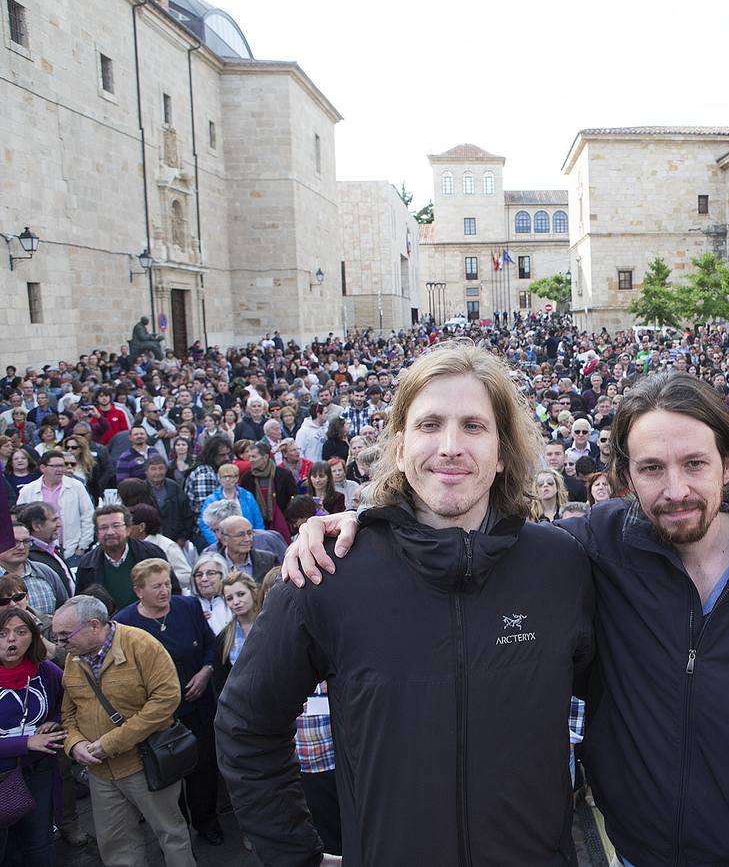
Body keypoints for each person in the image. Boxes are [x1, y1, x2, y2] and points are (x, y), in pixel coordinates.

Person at [283, 367, 729, 864]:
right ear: (624, 476)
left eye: (694, 463)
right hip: (636, 852)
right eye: (651, 468)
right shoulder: (592, 548)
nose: (675, 488)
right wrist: (367, 524)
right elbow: (477, 540)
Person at [216, 344, 597, 866]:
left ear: (503, 452)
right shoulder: (328, 572)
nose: (450, 447)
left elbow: (619, 703)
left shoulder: (561, 565)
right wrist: (297, 857)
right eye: (429, 425)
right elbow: (246, 725)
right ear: (399, 448)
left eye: (473, 426)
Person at [53, 595, 196, 867]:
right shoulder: (74, 658)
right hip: (101, 773)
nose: (60, 644)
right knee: (117, 846)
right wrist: (74, 744)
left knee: (171, 836)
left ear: (93, 625)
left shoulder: (141, 645)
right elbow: (69, 713)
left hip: (144, 764)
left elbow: (165, 700)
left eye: (64, 635)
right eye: (57, 637)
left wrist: (111, 743)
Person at [112, 559, 222, 845]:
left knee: (204, 766)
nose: (164, 591)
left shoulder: (188, 607)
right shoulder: (124, 623)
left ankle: (206, 821)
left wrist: (205, 671)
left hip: (198, 706)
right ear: (139, 591)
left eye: (167, 584)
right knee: (167, 773)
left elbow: (211, 644)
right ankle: (178, 831)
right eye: (156, 586)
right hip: (158, 716)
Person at [0, 606, 66, 867]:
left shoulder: (46, 670)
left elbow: (70, 702)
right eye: (2, 633)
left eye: (21, 632)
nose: (11, 639)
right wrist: (25, 742)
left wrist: (56, 720)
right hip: (2, 773)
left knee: (40, 844)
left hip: (37, 769)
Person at [71, 504, 173, 611]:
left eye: (116, 526)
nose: (110, 532)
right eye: (104, 527)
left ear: (128, 529)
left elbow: (172, 591)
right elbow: (82, 606)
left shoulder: (151, 554)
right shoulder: (87, 564)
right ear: (97, 533)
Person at [15, 449, 94, 558]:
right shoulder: (28, 490)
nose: (60, 469)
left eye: (62, 465)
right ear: (43, 468)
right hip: (39, 551)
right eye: (55, 466)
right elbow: (21, 521)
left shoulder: (77, 486)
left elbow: (88, 516)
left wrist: (82, 546)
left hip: (72, 550)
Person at [210, 571, 259, 692]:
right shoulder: (223, 638)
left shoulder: (270, 626)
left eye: (241, 594)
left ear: (253, 592)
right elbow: (220, 682)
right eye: (229, 598)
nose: (236, 602)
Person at [197, 463, 263, 545]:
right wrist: (218, 543)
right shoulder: (211, 499)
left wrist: (255, 540)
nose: (227, 479)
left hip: (247, 540)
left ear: (237, 478)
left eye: (231, 476)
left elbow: (258, 521)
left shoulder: (247, 496)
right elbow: (205, 524)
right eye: (224, 477)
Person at [214, 515, 278, 580]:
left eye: (249, 533)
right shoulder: (213, 564)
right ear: (224, 540)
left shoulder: (268, 560)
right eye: (240, 535)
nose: (247, 539)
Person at [189, 552, 231, 633]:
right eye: (199, 575)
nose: (204, 579)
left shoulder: (233, 602)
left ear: (222, 576)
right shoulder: (188, 607)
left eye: (211, 573)